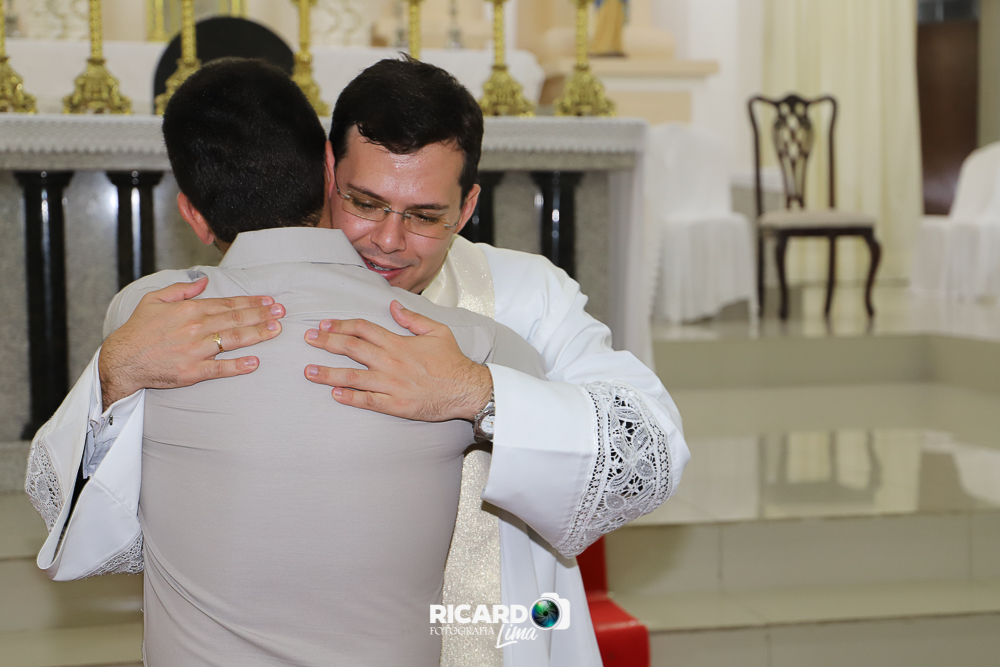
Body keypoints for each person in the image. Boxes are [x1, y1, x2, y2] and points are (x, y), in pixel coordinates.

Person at [27, 57, 689, 666]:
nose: (389, 240)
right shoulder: (198, 313)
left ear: (467, 207)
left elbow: (652, 457)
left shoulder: (525, 295)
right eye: (365, 203)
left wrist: (478, 393)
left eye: (425, 215)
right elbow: (99, 520)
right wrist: (115, 377)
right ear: (326, 174)